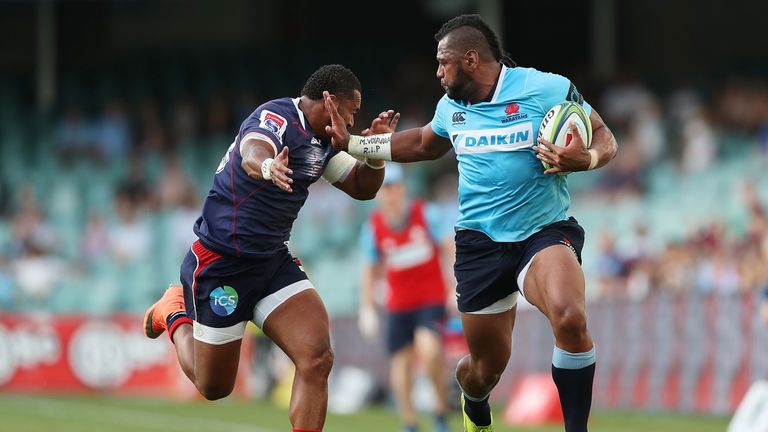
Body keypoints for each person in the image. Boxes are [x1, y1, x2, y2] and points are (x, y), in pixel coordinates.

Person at [323, 15, 618, 432]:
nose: (438, 72)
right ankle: (473, 399)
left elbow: (606, 138)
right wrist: (354, 143)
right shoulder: (451, 109)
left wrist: (584, 159)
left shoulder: (545, 88)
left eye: (443, 63)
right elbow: (425, 143)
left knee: (570, 317)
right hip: (480, 244)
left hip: (543, 231)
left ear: (471, 60)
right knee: (485, 368)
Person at [143, 64, 399, 432]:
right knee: (213, 386)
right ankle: (172, 311)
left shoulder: (326, 141)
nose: (353, 118)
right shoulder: (276, 116)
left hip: (271, 262)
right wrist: (266, 166)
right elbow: (253, 148)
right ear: (329, 102)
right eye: (351, 109)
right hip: (222, 262)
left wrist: (375, 155)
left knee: (317, 356)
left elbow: (362, 187)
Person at [358, 163, 454, 432]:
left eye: (394, 187)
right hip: (398, 304)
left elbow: (449, 248)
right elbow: (368, 270)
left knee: (429, 349)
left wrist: (453, 287)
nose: (390, 193)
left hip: (430, 298)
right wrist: (367, 308)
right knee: (400, 365)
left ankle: (439, 410)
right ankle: (410, 422)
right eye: (384, 188)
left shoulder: (427, 214)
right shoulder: (373, 228)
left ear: (403, 188)